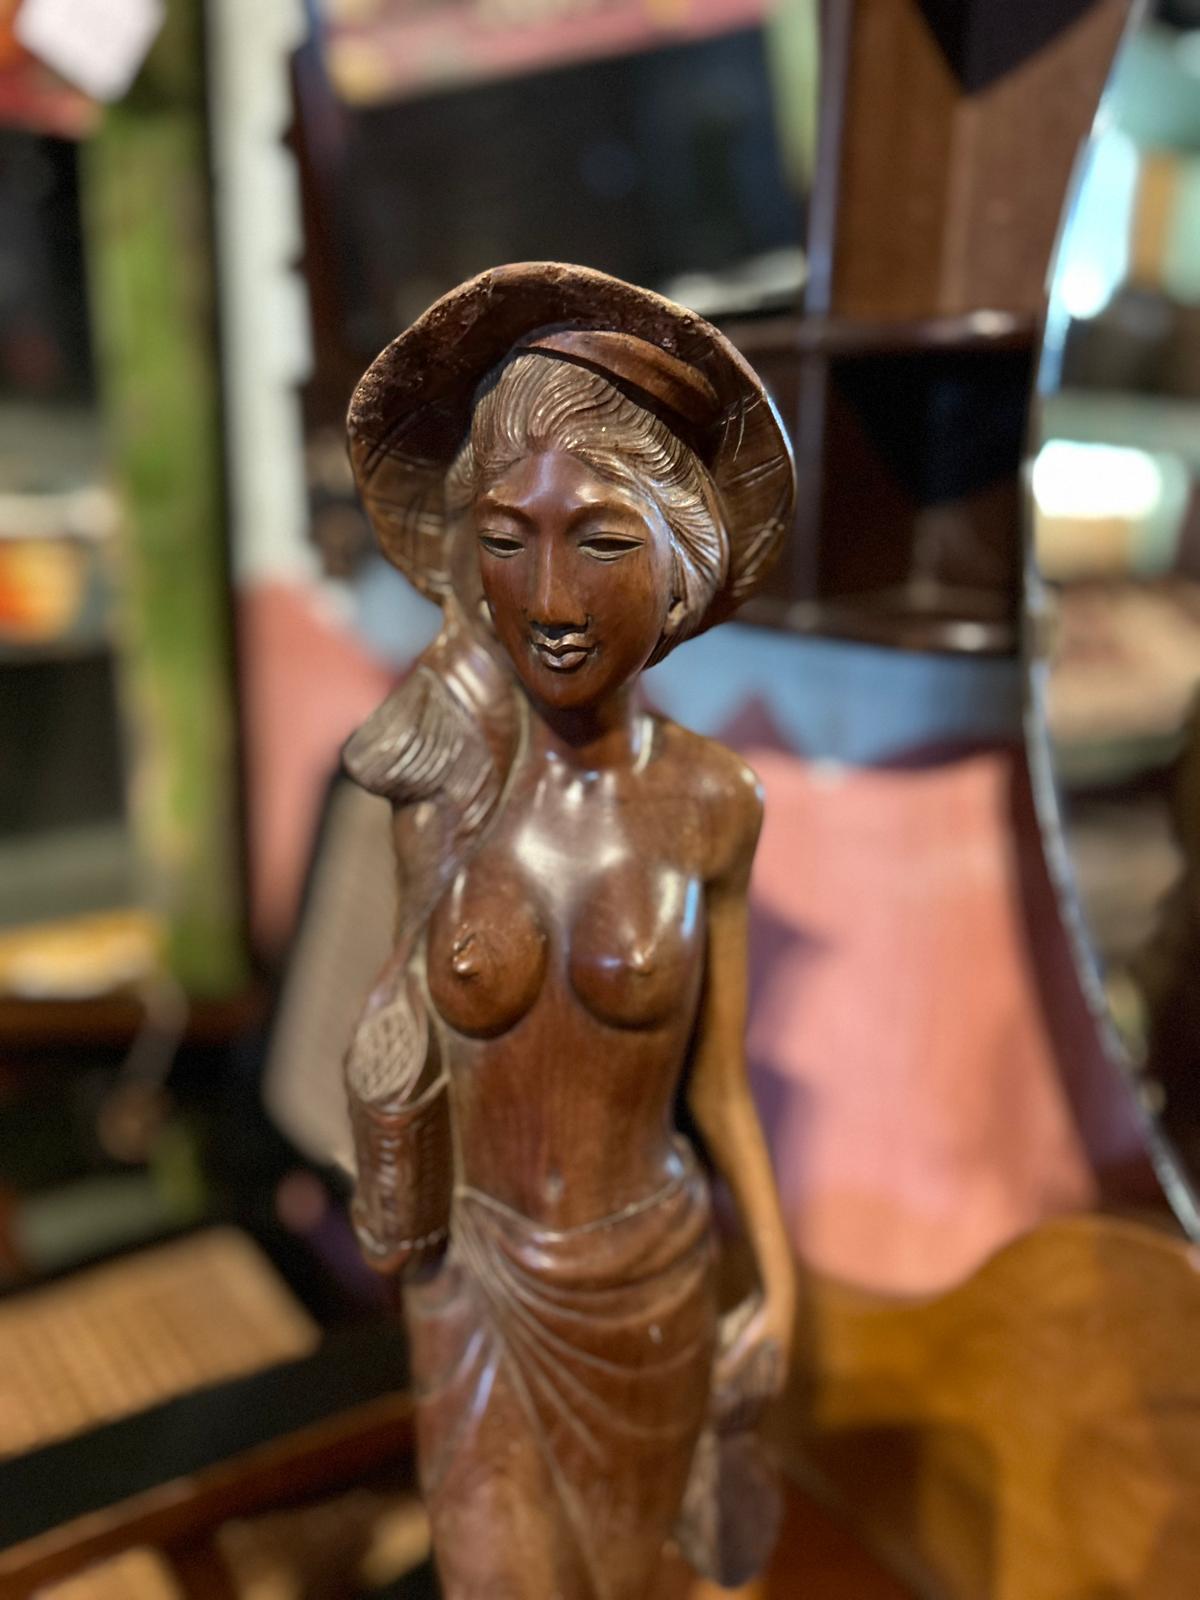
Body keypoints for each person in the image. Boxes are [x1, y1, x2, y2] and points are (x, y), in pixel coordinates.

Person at [341, 263, 797, 1600]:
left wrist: (780, 1286)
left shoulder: (711, 803)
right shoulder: (444, 795)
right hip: (471, 1286)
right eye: (505, 536)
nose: (547, 595)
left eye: (600, 542)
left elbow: (721, 1085)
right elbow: (400, 1017)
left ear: (680, 559)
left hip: (649, 1288)